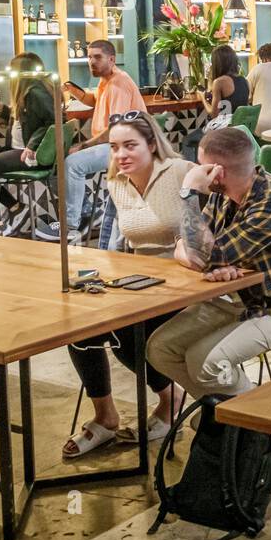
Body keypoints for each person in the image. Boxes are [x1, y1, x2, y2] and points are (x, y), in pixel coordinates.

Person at [146, 127, 271, 400]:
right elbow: (187, 247)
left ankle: (256, 430)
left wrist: (189, 192)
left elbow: (200, 255)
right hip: (239, 298)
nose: (197, 170)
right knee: (160, 348)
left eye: (201, 166)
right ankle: (220, 422)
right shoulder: (223, 196)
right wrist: (200, 255)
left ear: (218, 172)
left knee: (206, 364)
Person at [62, 113, 188, 457]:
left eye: (130, 145)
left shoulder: (179, 171)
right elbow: (122, 242)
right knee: (80, 329)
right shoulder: (117, 182)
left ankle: (171, 399)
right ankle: (105, 417)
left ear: (151, 144)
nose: (121, 154)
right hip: (140, 281)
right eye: (114, 147)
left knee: (124, 334)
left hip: (188, 282)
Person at [38, 40, 147, 244]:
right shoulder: (106, 80)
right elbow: (94, 100)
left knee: (73, 164)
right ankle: (88, 211)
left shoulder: (119, 83)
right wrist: (72, 88)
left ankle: (70, 225)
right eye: (89, 57)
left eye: (97, 57)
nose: (91, 62)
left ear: (112, 59)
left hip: (125, 147)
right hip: (114, 144)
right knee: (60, 162)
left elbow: (115, 129)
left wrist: (84, 145)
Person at [0, 52, 56, 226]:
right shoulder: (29, 92)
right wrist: (4, 110)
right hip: (18, 149)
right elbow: (27, 120)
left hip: (29, 154)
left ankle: (1, 218)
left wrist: (32, 145)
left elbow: (53, 121)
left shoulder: (36, 92)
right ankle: (14, 207)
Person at [182, 44, 249, 162]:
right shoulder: (244, 80)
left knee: (188, 141)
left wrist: (202, 97)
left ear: (218, 63)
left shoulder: (220, 82)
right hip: (238, 131)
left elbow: (213, 114)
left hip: (222, 132)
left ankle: (197, 172)